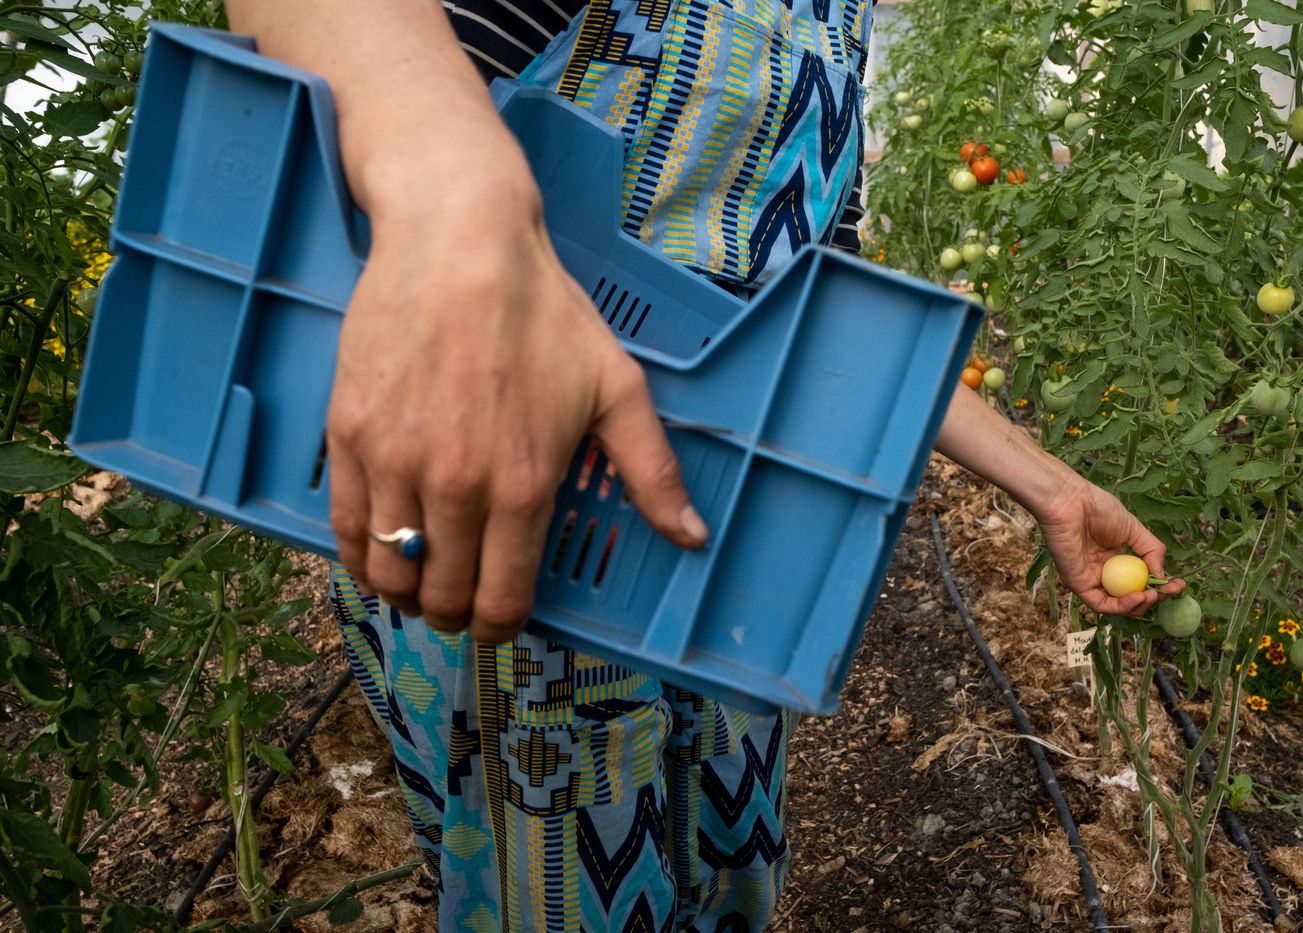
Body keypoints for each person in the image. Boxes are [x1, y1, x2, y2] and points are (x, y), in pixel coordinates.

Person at [224, 1, 1184, 930]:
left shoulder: (834, 16)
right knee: (558, 883)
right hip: (525, 511)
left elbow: (816, 310)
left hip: (722, 546)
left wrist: (1050, 487)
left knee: (723, 859)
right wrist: (459, 213)